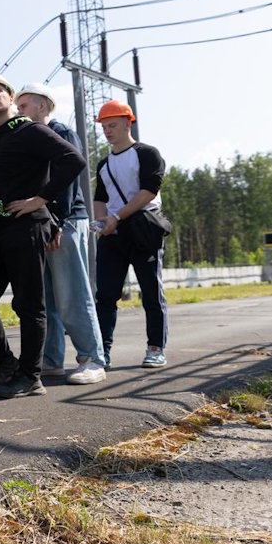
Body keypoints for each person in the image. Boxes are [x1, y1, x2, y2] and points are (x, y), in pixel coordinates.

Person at [0, 72, 85, 399]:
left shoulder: (29, 130)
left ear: (11, 98)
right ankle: (4, 361)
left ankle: (31, 375)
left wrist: (41, 199)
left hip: (24, 227)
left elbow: (73, 160)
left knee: (29, 304)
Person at [15, 84, 106, 385]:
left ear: (44, 106)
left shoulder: (61, 132)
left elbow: (67, 181)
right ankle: (52, 359)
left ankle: (92, 359)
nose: (20, 111)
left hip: (65, 221)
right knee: (48, 297)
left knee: (72, 294)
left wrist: (56, 220)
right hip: (46, 222)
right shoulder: (32, 139)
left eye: (25, 105)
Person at [92, 99, 170, 369]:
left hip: (142, 229)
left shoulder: (148, 154)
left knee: (150, 292)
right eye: (104, 127)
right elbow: (100, 198)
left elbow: (148, 192)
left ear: (128, 122)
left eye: (112, 125)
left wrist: (116, 217)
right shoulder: (104, 164)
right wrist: (102, 221)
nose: (108, 131)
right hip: (112, 235)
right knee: (105, 295)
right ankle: (102, 352)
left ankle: (155, 348)